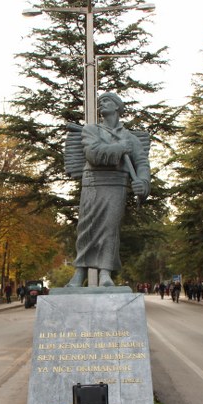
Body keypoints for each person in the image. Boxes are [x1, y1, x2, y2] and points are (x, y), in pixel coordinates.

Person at [66, 92, 150, 288]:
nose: (101, 104)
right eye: (100, 101)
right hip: (93, 183)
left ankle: (105, 273)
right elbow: (93, 154)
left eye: (106, 101)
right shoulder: (91, 130)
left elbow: (142, 164)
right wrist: (120, 148)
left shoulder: (130, 138)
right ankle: (80, 272)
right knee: (86, 227)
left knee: (110, 229)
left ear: (117, 107)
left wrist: (143, 184)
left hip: (116, 186)